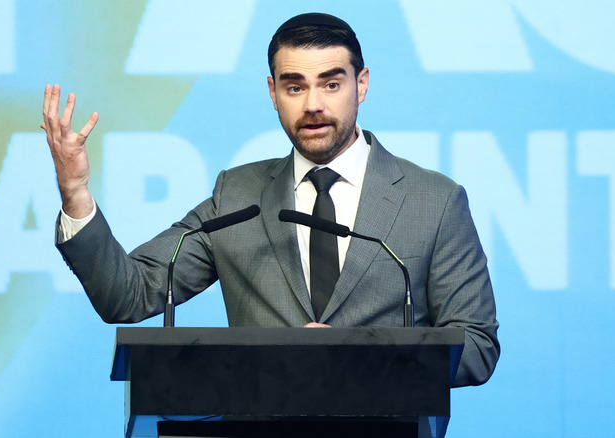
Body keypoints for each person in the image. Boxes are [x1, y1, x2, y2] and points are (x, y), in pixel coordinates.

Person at [41, 12, 499, 387]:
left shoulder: (434, 201)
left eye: (331, 84)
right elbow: (129, 295)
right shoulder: (237, 196)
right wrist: (75, 192)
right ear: (273, 93)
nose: (313, 104)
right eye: (295, 86)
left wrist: (363, 355)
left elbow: (476, 347)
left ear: (361, 84)